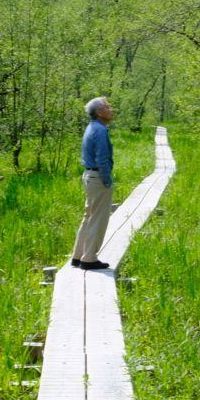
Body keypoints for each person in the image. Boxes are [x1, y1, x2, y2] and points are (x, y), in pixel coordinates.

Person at [71, 97, 115, 270]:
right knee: (98, 219)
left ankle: (78, 256)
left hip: (89, 176)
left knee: (89, 217)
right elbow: (102, 160)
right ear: (99, 112)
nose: (112, 109)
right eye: (108, 107)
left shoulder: (92, 128)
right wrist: (108, 181)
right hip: (97, 177)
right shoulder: (100, 130)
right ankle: (89, 258)